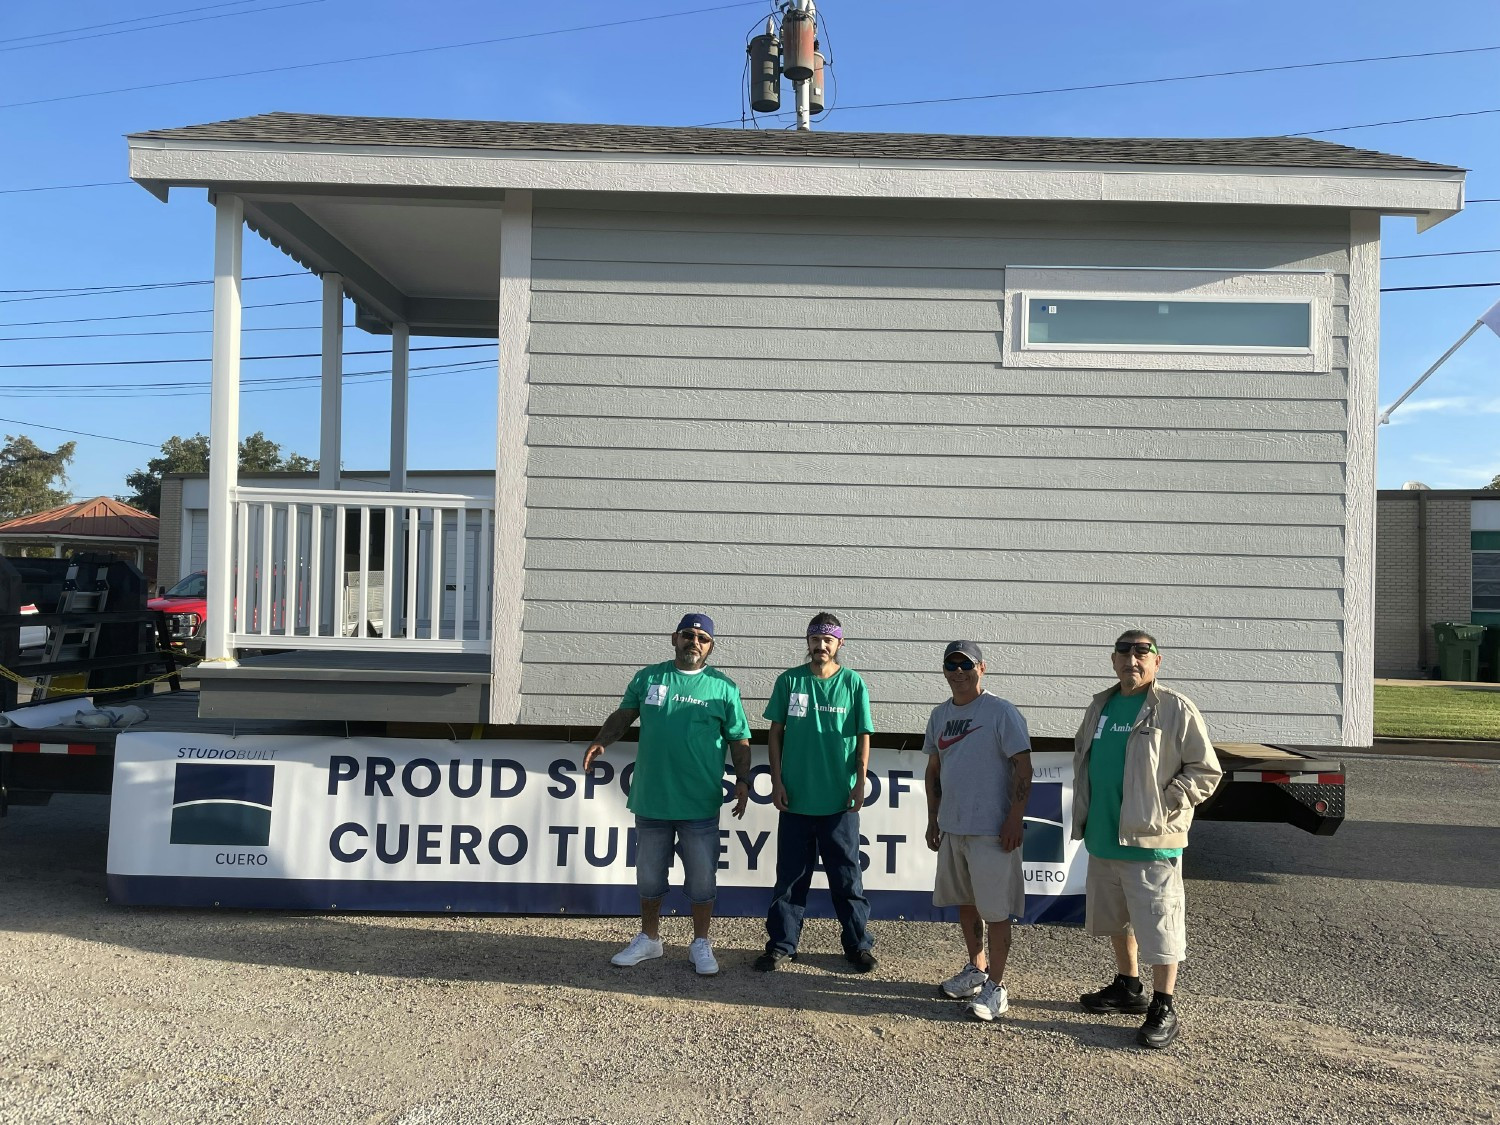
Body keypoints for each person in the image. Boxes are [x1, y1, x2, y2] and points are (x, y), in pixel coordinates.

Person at [1071, 629, 1222, 1049]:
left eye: (1142, 653)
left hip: (1151, 839)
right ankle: (1129, 987)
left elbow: (1205, 771)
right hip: (1104, 837)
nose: (1132, 660)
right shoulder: (1101, 705)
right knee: (1120, 919)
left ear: (1158, 662)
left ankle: (1164, 1004)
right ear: (1113, 660)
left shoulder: (1174, 708)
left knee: (1159, 924)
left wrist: (1168, 801)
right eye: (1124, 652)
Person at [583, 612, 752, 976]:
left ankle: (700, 943)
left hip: (699, 802)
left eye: (703, 638)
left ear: (711, 647)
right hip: (653, 798)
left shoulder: (724, 687)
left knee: (702, 879)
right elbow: (625, 714)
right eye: (688, 635)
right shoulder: (649, 677)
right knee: (649, 876)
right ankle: (650, 939)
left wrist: (743, 780)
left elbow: (739, 740)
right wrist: (601, 740)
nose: (695, 642)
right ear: (674, 638)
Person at [755, 612, 877, 973]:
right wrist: (777, 781)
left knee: (846, 879)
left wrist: (860, 780)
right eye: (815, 638)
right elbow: (775, 733)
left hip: (838, 802)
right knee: (791, 878)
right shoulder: (790, 681)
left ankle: (857, 946)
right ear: (807, 641)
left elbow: (863, 734)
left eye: (828, 639)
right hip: (796, 800)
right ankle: (781, 945)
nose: (821, 645)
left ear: (840, 644)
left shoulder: (853, 683)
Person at [923, 640, 1032, 1023]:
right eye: (951, 666)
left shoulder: (1000, 712)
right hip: (953, 829)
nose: (958, 673)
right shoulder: (939, 715)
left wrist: (1014, 817)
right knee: (966, 903)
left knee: (996, 911)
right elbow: (934, 770)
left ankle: (997, 987)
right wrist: (933, 818)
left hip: (991, 831)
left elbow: (1023, 767)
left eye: (965, 665)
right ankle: (977, 969)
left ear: (981, 668)